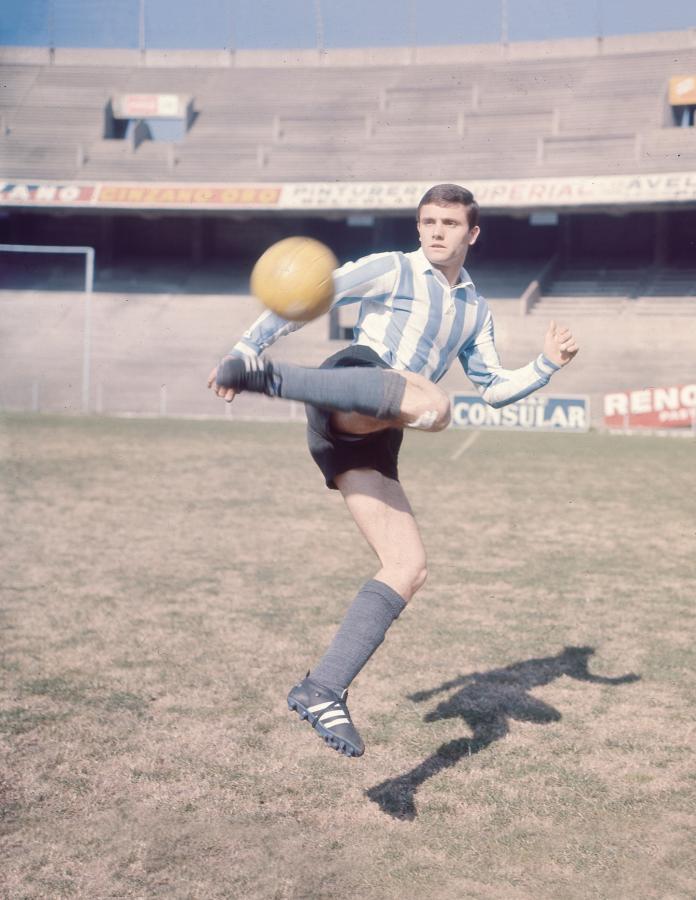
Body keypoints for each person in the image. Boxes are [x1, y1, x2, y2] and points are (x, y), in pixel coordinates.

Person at [207, 183, 578, 759]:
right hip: (351, 379)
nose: (435, 231)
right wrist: (246, 352)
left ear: (472, 233)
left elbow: (497, 389)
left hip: (370, 435)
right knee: (436, 405)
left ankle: (323, 687)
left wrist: (546, 364)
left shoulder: (476, 310)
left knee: (408, 566)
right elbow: (314, 294)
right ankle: (271, 377)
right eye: (428, 220)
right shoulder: (392, 269)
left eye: (449, 223)